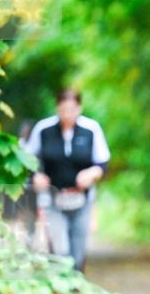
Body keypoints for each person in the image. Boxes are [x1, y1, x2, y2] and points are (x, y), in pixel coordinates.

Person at [25, 89, 111, 272]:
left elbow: (102, 162)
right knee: (59, 249)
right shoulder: (43, 129)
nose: (67, 114)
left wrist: (92, 173)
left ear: (79, 108)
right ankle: (62, 293)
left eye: (71, 109)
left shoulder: (91, 129)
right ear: (57, 108)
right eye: (63, 109)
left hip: (82, 199)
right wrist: (35, 176)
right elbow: (27, 160)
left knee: (77, 251)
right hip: (53, 199)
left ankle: (75, 289)